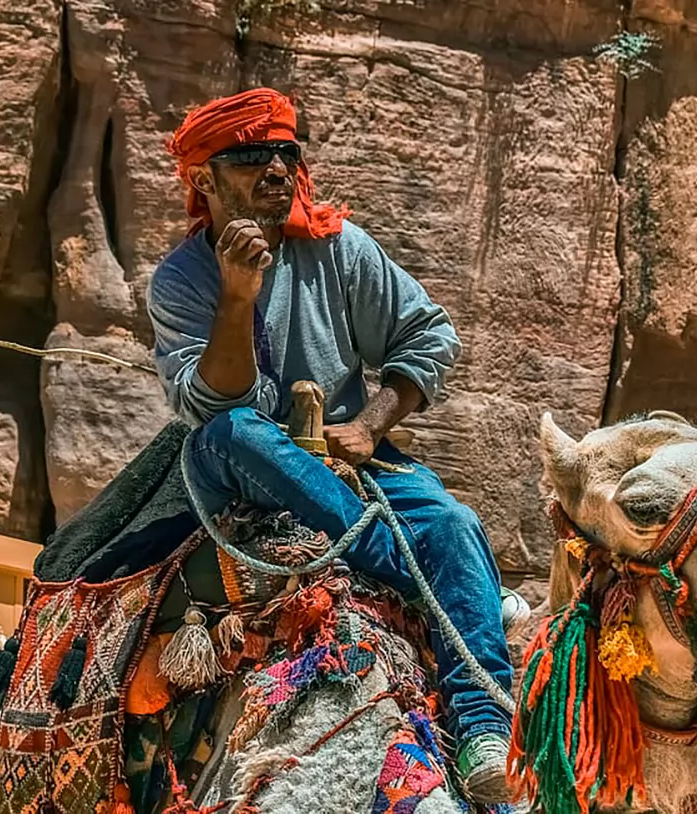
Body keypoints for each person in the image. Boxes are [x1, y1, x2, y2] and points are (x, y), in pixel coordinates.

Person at [145, 87, 529, 803]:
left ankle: (484, 727)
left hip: (353, 457)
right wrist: (237, 295)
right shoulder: (180, 281)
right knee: (235, 432)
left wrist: (371, 423)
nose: (277, 168)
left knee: (454, 522)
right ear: (204, 179)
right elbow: (216, 402)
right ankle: (428, 575)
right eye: (252, 155)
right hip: (241, 460)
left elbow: (429, 334)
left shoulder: (338, 248)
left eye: (287, 151)